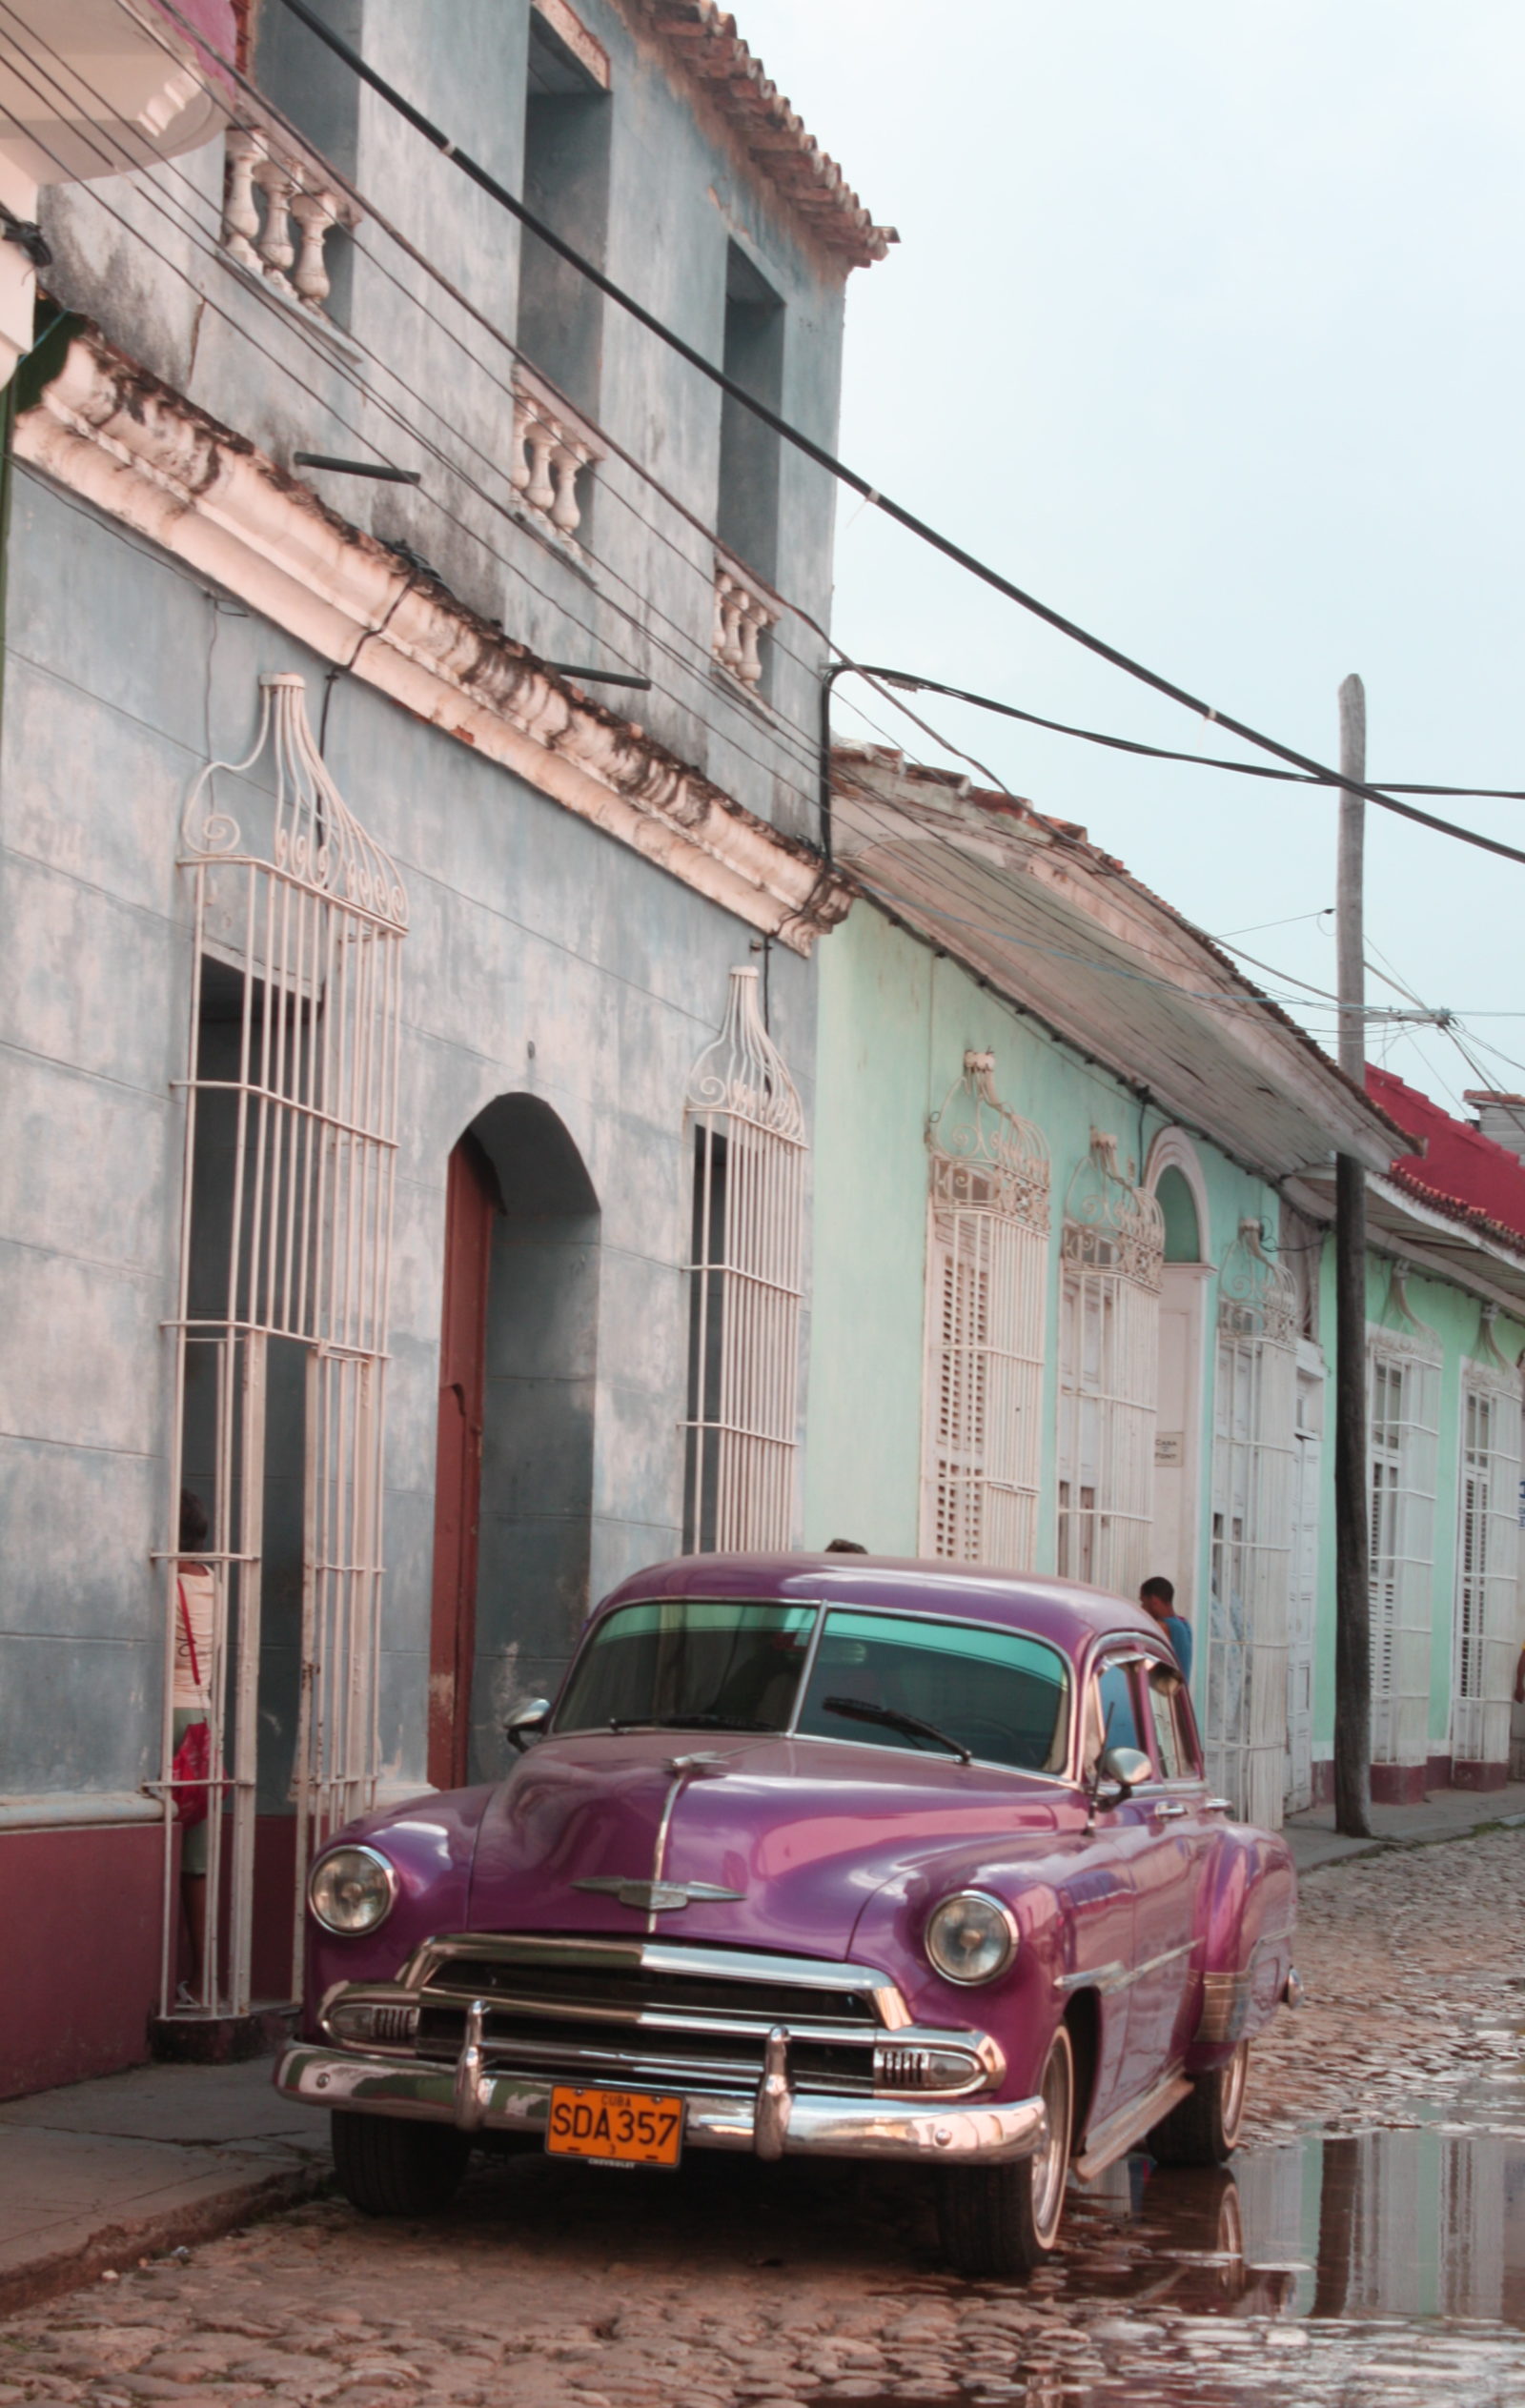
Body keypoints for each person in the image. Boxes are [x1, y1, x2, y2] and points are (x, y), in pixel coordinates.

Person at [173, 1490, 216, 1996]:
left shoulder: (168, 1581)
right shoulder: (215, 1580)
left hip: (169, 1714)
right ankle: (206, 1976)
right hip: (204, 1716)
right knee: (197, 1857)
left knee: (165, 1834)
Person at [1139, 1574, 1193, 1683]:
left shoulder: (1163, 1627)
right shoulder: (1184, 1624)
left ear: (1154, 1601)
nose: (1142, 1608)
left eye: (1143, 1602)